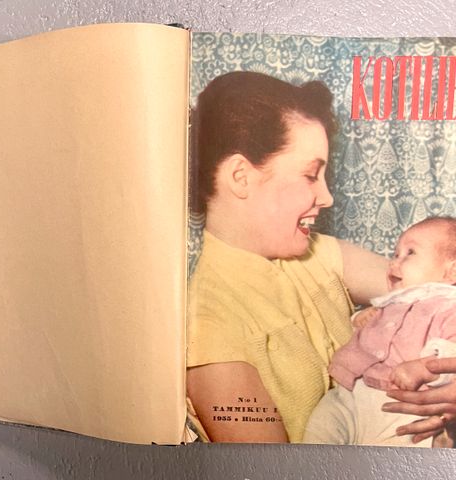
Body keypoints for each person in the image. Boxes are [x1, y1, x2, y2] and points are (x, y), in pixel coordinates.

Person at [186, 71, 456, 444]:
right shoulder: (209, 326)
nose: (327, 197)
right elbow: (271, 470)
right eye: (311, 175)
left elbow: (439, 289)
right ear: (241, 177)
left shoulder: (318, 255)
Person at [303, 217, 456, 447]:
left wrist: (423, 368)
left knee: (407, 447)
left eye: (410, 253)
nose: (394, 262)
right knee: (321, 428)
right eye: (396, 254)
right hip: (352, 394)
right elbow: (365, 336)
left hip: (403, 407)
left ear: (452, 271)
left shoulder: (448, 306)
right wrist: (359, 319)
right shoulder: (389, 303)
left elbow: (452, 352)